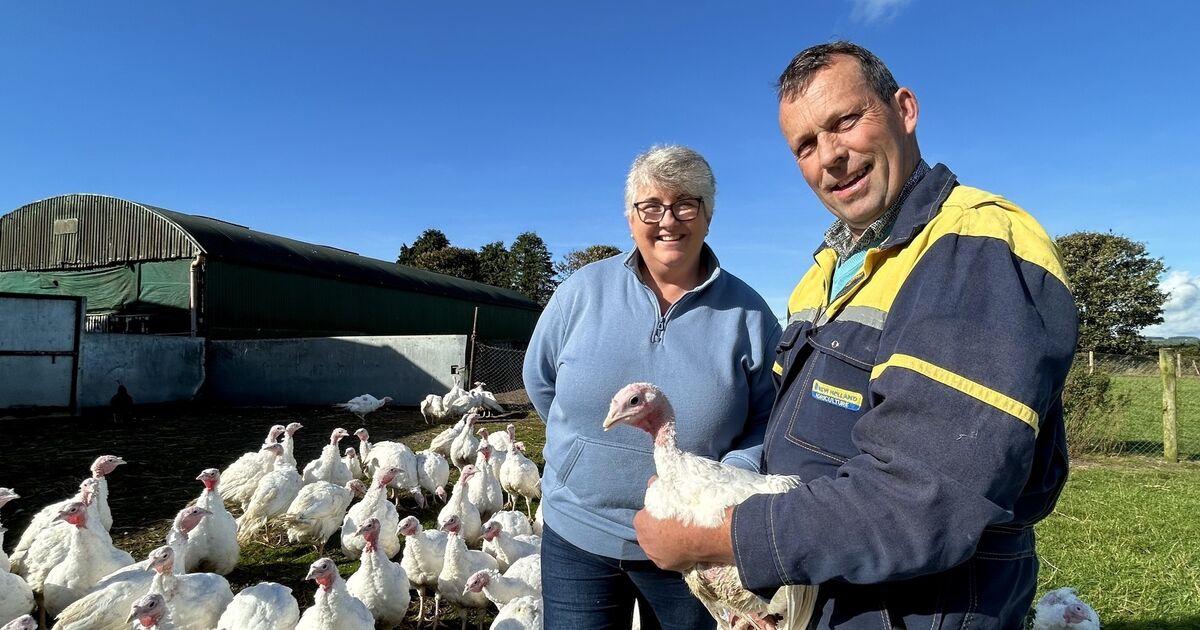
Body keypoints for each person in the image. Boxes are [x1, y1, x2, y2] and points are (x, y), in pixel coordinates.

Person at [633, 42, 1078, 629]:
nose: (831, 158)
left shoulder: (974, 248)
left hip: (923, 608)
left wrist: (720, 541)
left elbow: (924, 498)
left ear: (904, 109)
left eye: (845, 121)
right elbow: (797, 443)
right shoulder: (823, 275)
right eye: (806, 145)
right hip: (829, 591)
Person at [522, 145, 781, 630]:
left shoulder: (749, 316)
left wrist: (721, 483)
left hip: (690, 548)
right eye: (651, 206)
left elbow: (770, 417)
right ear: (630, 216)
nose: (668, 220)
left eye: (687, 203)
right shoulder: (581, 293)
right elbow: (539, 380)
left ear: (708, 216)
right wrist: (582, 454)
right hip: (579, 537)